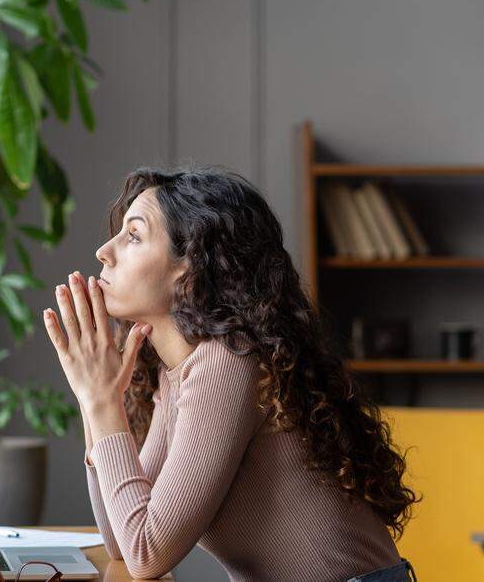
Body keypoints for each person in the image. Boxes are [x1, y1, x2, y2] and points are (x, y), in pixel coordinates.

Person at [41, 165, 419, 582]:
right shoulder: (179, 375)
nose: (104, 251)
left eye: (133, 235)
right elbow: (120, 538)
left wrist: (101, 401)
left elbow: (146, 553)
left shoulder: (228, 363)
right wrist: (94, 399)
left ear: (189, 267)